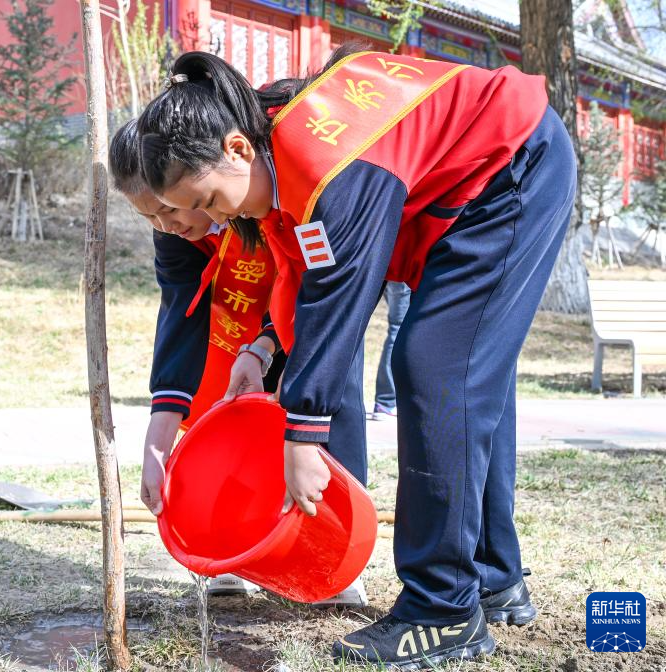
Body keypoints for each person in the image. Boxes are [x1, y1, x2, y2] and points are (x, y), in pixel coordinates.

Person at [135, 45, 573, 668]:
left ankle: (442, 610)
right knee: (463, 373)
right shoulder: (280, 157)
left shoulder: (327, 160)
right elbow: (304, 284)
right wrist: (264, 348)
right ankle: (493, 576)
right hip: (477, 183)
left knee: (437, 370)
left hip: (509, 169)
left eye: (206, 201)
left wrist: (304, 436)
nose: (211, 220)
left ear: (236, 148)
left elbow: (340, 296)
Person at [110, 120, 368, 606]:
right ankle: (237, 544)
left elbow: (314, 283)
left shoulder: (257, 186)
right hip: (233, 327)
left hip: (310, 307)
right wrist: (159, 434)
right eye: (151, 218)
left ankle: (335, 551)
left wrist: (269, 342)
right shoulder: (176, 229)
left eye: (170, 208)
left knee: (324, 400)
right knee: (226, 416)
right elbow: (180, 311)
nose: (168, 225)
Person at [371, 281, 411, 421]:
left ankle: (386, 401)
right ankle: (385, 401)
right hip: (403, 277)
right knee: (398, 329)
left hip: (392, 271)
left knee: (397, 328)